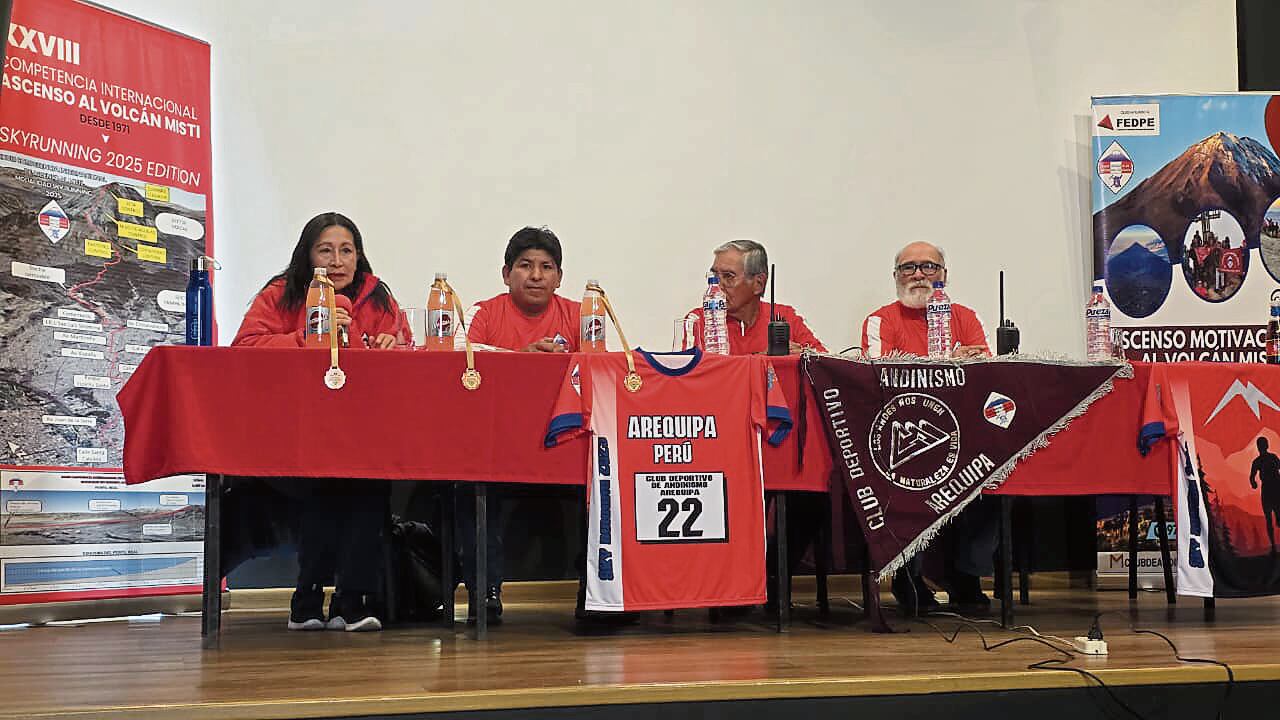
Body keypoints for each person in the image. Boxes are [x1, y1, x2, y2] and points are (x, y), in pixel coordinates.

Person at [232, 211, 403, 632]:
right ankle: (306, 597)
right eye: (325, 250)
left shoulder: (377, 297)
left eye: (347, 251)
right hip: (293, 430)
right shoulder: (280, 294)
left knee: (366, 478)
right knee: (324, 476)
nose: (337, 260)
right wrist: (303, 341)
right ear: (307, 256)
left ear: (359, 256)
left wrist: (388, 344)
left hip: (363, 430)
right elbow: (245, 347)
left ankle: (352, 600)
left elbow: (406, 350)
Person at [452, 226, 580, 622]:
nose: (536, 275)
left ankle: (596, 593)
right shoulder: (484, 312)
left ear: (559, 277)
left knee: (608, 475)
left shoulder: (580, 314)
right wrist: (520, 357)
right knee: (466, 481)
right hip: (496, 442)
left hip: (562, 443)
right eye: (525, 266)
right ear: (506, 274)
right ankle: (484, 591)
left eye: (546, 267)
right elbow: (458, 351)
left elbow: (601, 365)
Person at [860, 241, 994, 614]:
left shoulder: (964, 316)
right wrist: (946, 360)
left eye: (928, 267)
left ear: (944, 276)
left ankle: (967, 576)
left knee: (995, 472)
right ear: (896, 277)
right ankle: (908, 576)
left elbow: (986, 370)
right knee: (907, 478)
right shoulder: (880, 320)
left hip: (961, 433)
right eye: (909, 268)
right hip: (897, 437)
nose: (919, 274)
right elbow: (877, 373)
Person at [681, 239, 825, 354]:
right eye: (714, 276)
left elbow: (826, 364)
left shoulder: (784, 317)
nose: (717, 286)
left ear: (758, 283)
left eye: (728, 276)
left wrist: (804, 355)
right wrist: (761, 361)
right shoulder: (697, 320)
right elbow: (695, 377)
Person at [1250, 436, 1280, 555]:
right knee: (1272, 518)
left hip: (1272, 489)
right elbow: (1252, 476)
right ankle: (1273, 546)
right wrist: (1253, 482)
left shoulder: (1263, 460)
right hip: (1272, 489)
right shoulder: (1269, 458)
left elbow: (1252, 477)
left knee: (1272, 518)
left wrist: (1253, 483)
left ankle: (1273, 546)